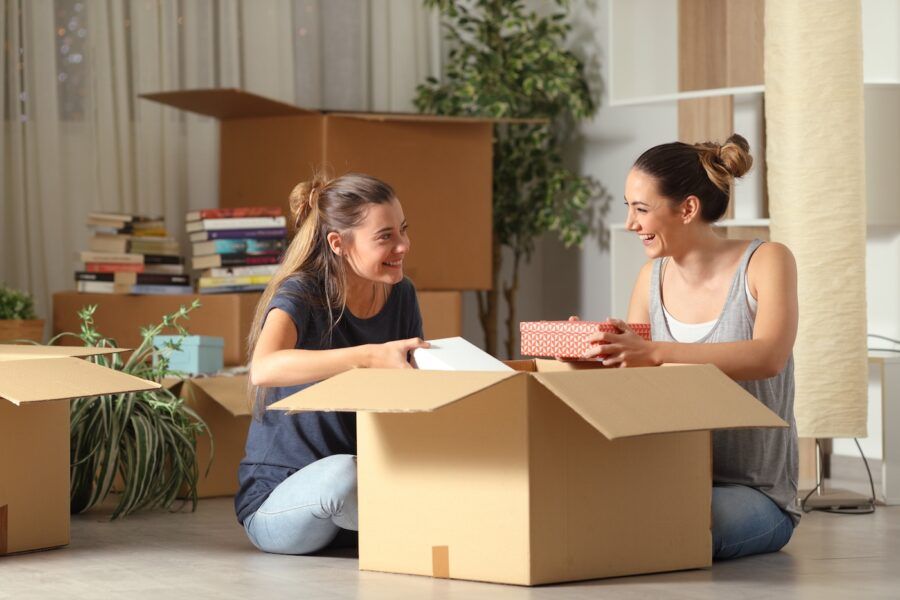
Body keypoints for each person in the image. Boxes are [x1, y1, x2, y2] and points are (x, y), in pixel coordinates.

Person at [583, 134, 800, 560]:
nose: (630, 223)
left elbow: (768, 356)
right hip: (669, 475)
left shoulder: (767, 261)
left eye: (641, 209)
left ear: (687, 209)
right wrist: (598, 344)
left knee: (663, 528)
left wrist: (657, 352)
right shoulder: (651, 278)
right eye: (628, 207)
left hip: (753, 493)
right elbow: (636, 380)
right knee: (593, 512)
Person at [235, 172, 429, 555]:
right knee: (344, 476)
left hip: (361, 496)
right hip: (283, 502)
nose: (403, 246)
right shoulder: (303, 290)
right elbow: (264, 367)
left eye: (403, 231)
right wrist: (369, 356)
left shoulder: (401, 294)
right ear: (338, 244)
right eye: (385, 236)